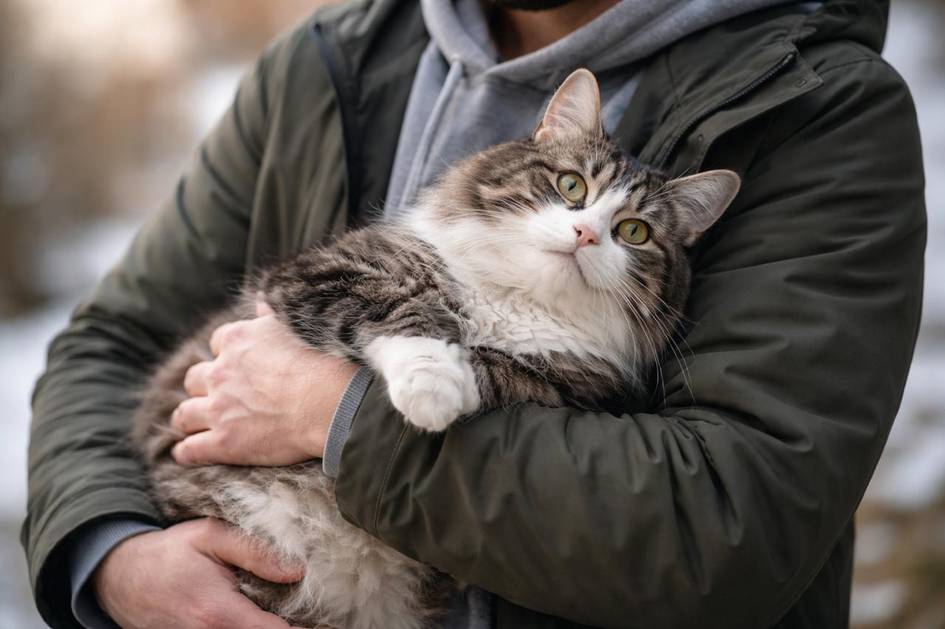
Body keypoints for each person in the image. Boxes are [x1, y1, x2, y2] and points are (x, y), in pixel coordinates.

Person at [23, 0, 925, 627]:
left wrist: (336, 417)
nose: (581, 227)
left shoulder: (818, 109)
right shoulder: (330, 53)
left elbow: (732, 523)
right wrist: (109, 555)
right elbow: (109, 341)